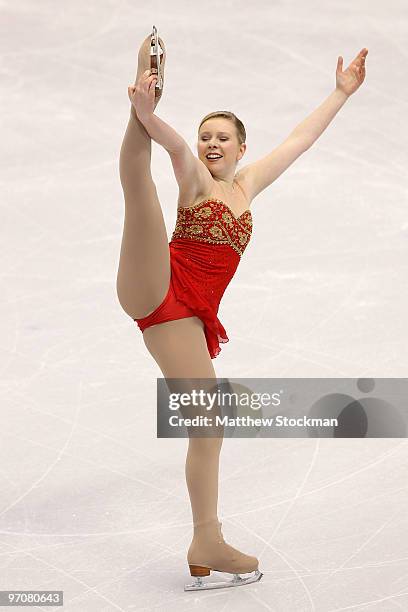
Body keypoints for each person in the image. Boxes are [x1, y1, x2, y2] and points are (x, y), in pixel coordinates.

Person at [116, 26, 368, 590]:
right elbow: (176, 149)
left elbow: (299, 141)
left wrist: (341, 93)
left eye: (222, 138)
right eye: (207, 135)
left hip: (186, 316)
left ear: (241, 148)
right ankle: (140, 92)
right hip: (159, 284)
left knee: (210, 428)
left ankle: (207, 537)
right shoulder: (195, 180)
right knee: (141, 189)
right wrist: (149, 112)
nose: (210, 144)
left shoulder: (247, 186)